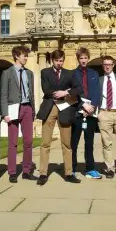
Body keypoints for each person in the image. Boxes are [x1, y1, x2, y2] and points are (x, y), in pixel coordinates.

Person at [37, 49, 83, 186]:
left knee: (66, 143)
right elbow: (46, 90)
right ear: (52, 60)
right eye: (57, 61)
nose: (59, 63)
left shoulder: (70, 73)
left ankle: (68, 173)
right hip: (49, 108)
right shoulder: (45, 72)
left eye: (61, 61)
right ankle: (43, 173)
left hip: (65, 109)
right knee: (45, 143)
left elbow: (79, 89)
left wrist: (66, 92)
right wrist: (60, 93)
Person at [1, 46, 36, 183]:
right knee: (13, 142)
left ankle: (27, 171)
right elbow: (3, 93)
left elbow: (31, 93)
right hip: (13, 108)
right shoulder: (7, 73)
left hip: (27, 108)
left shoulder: (29, 73)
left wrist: (33, 111)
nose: (26, 58)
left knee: (28, 141)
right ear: (16, 56)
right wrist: (4, 113)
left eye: (27, 55)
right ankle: (12, 172)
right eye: (24, 55)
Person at [71, 47, 102, 179]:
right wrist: (83, 106)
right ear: (78, 59)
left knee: (89, 142)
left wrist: (92, 107)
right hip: (77, 110)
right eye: (81, 58)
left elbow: (97, 92)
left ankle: (90, 168)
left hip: (91, 112)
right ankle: (71, 168)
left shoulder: (94, 73)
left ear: (88, 58)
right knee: (74, 142)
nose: (83, 60)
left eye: (85, 58)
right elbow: (72, 92)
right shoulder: (72, 74)